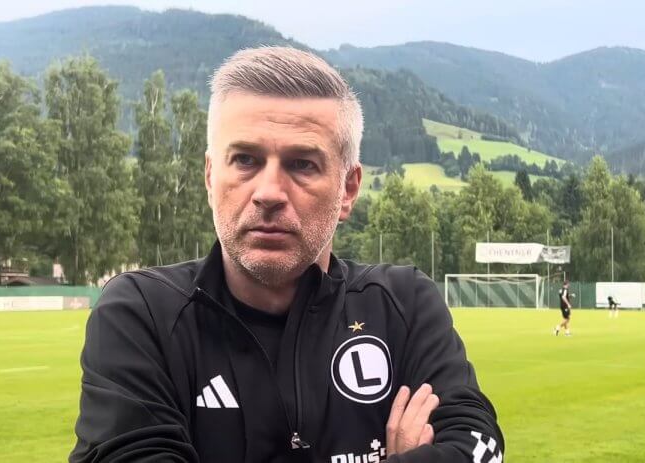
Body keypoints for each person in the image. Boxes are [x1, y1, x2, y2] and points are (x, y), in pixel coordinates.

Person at [70, 47, 503, 463]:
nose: (269, 193)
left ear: (348, 189)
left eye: (302, 164)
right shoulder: (143, 314)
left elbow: (477, 444)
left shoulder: (403, 305)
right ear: (210, 176)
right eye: (245, 160)